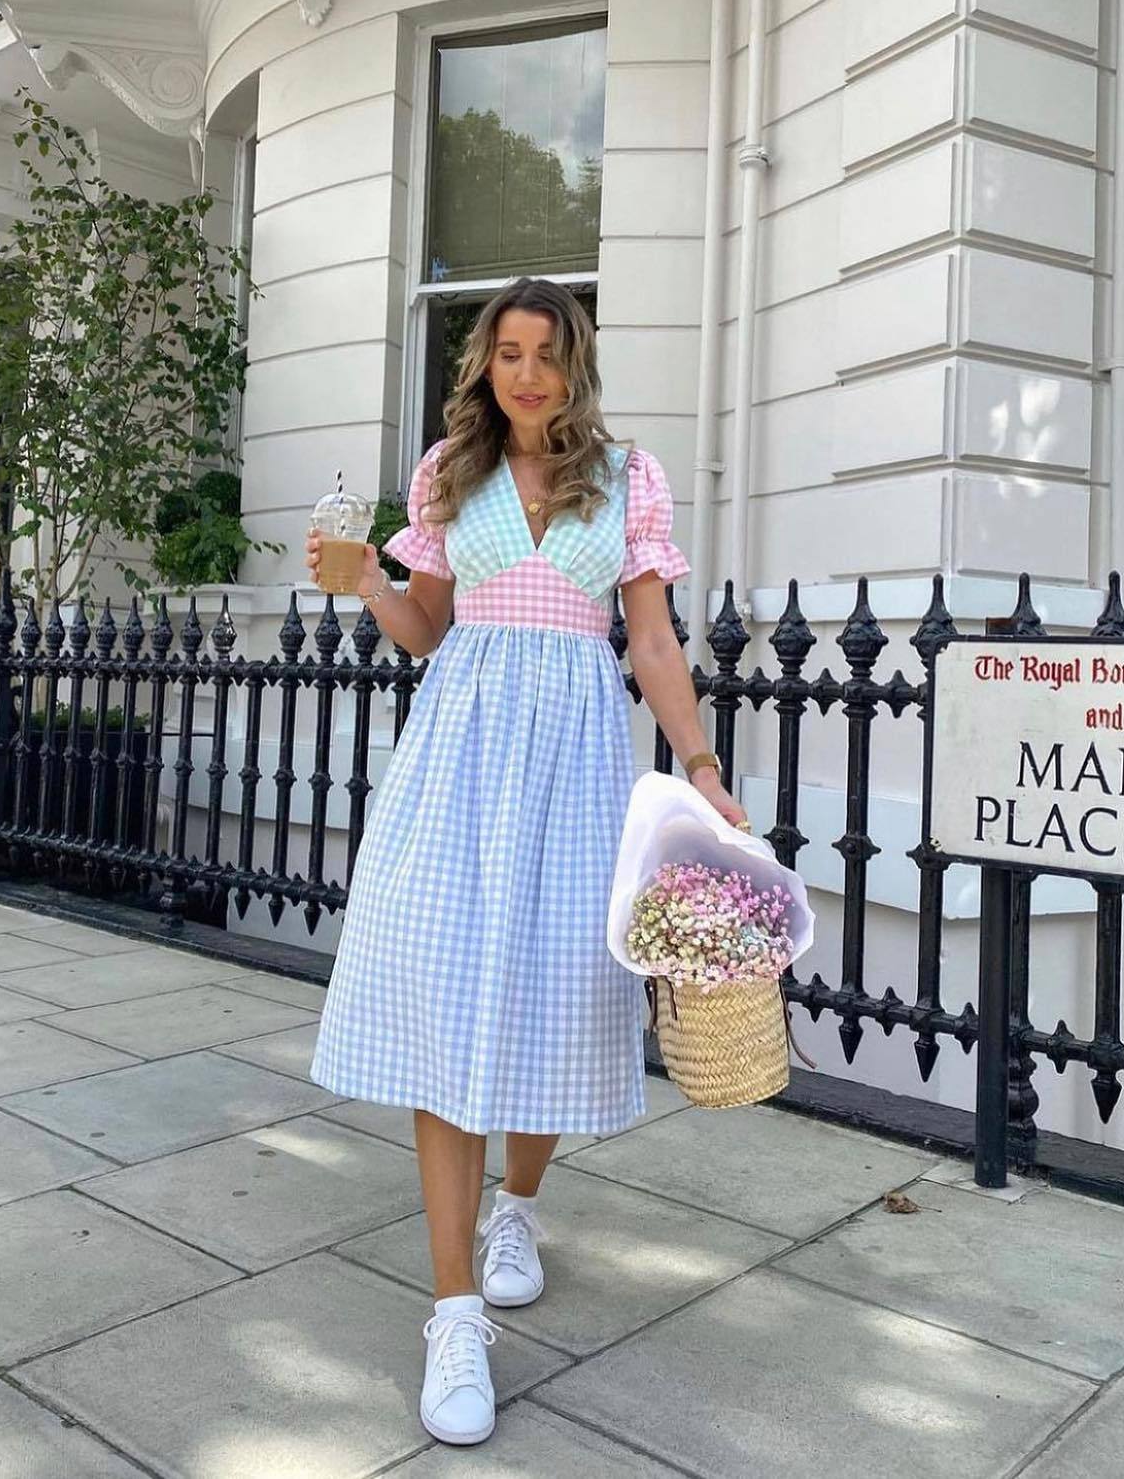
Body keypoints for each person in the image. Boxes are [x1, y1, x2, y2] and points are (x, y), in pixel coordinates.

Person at [307, 275, 745, 1447]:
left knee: (551, 994)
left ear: (574, 364)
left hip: (575, 757)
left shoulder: (628, 478)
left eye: (547, 353)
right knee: (448, 1001)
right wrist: (370, 582)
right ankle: (453, 1314)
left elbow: (651, 639)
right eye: (508, 351)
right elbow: (429, 629)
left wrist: (702, 766)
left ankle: (520, 1205)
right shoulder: (449, 474)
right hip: (461, 750)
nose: (528, 373)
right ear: (486, 364)